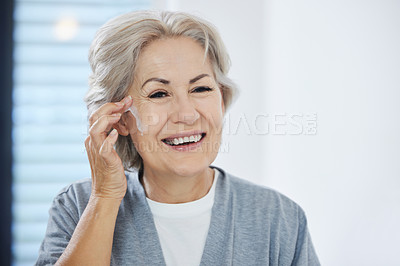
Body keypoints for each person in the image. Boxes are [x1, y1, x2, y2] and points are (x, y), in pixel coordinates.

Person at [35, 10, 320, 266]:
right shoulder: (76, 206)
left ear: (221, 99)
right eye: (159, 94)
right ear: (120, 119)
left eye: (201, 89)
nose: (186, 114)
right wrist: (106, 197)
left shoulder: (279, 219)